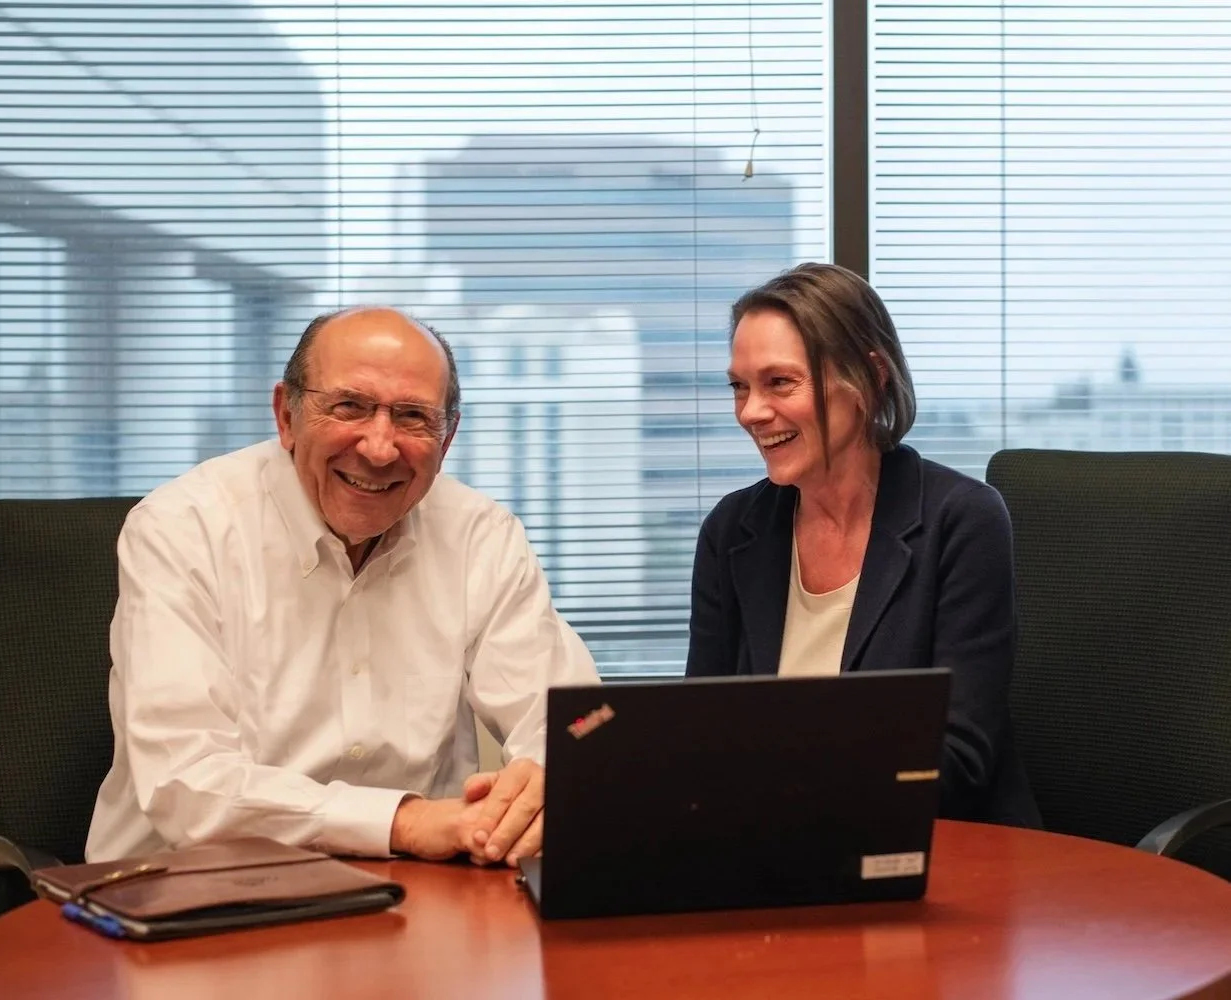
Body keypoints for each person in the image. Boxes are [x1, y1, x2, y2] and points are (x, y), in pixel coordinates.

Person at [86, 307, 599, 866]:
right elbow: (187, 784)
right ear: (287, 415)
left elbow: (579, 718)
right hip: (189, 897)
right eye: (349, 407)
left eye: (412, 418)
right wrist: (405, 820)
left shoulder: (481, 536)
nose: (380, 449)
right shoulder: (183, 529)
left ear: (446, 439)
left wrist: (549, 772)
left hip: (418, 898)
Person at [686, 263, 1039, 827]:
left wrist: (768, 777)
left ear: (871, 377)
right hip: (767, 846)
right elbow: (696, 733)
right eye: (740, 387)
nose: (751, 411)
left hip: (936, 852)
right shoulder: (733, 531)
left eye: (780, 382)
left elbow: (958, 762)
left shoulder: (961, 520)